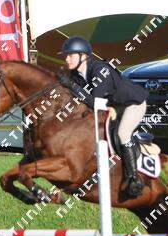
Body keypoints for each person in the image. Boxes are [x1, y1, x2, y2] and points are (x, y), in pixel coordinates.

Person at [58, 36, 149, 196]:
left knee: (123, 134)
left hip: (132, 103)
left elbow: (96, 103)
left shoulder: (100, 70)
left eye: (70, 55)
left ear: (83, 56)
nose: (66, 59)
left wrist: (72, 86)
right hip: (112, 106)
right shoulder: (75, 74)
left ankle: (134, 179)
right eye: (66, 55)